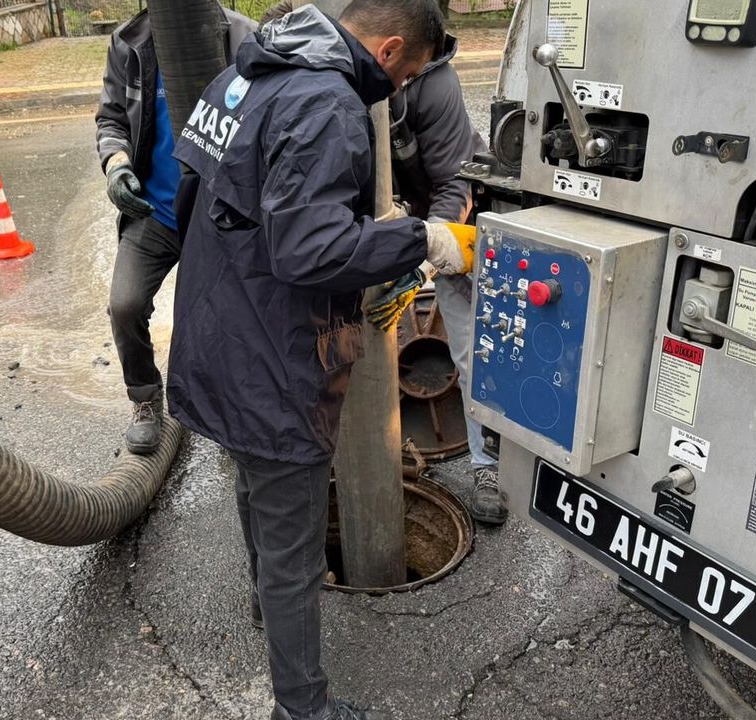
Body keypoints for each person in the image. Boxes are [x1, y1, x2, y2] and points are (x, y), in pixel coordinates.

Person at [167, 3, 471, 719]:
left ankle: (264, 604)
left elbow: (188, 194)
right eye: (408, 74)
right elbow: (311, 251)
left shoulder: (248, 72)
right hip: (272, 353)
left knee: (253, 479)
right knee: (295, 548)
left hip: (216, 324)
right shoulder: (330, 103)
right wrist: (421, 241)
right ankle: (302, 707)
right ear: (391, 47)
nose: (401, 88)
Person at [262, 1, 506, 526]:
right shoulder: (322, 72)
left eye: (407, 74)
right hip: (387, 228)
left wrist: (424, 261)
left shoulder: (431, 84)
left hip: (451, 226)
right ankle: (347, 457)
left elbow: (454, 181)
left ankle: (489, 464)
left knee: (471, 352)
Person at [93, 5, 255, 454]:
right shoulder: (130, 44)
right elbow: (111, 119)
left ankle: (229, 409)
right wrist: (116, 165)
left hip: (222, 216)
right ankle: (145, 398)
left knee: (229, 318)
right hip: (157, 211)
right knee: (125, 305)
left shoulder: (243, 39)